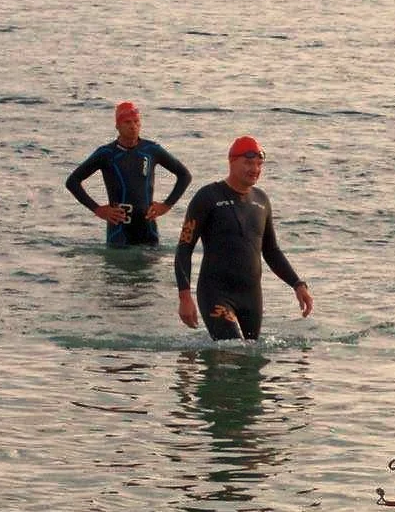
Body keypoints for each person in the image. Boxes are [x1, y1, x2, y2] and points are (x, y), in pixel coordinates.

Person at [175, 136, 313, 341]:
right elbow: (184, 248)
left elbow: (271, 251)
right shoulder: (208, 197)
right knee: (232, 350)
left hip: (251, 297)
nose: (254, 169)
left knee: (250, 361)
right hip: (216, 293)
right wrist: (184, 296)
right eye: (248, 163)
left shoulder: (261, 200)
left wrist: (297, 284)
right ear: (232, 161)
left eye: (259, 164)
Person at [65, 101, 192, 247]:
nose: (133, 126)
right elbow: (72, 181)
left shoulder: (151, 150)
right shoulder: (106, 153)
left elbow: (184, 175)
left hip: (148, 229)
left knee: (151, 268)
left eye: (136, 121)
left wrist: (166, 205)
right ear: (117, 126)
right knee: (118, 268)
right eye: (127, 122)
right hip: (119, 230)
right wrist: (98, 209)